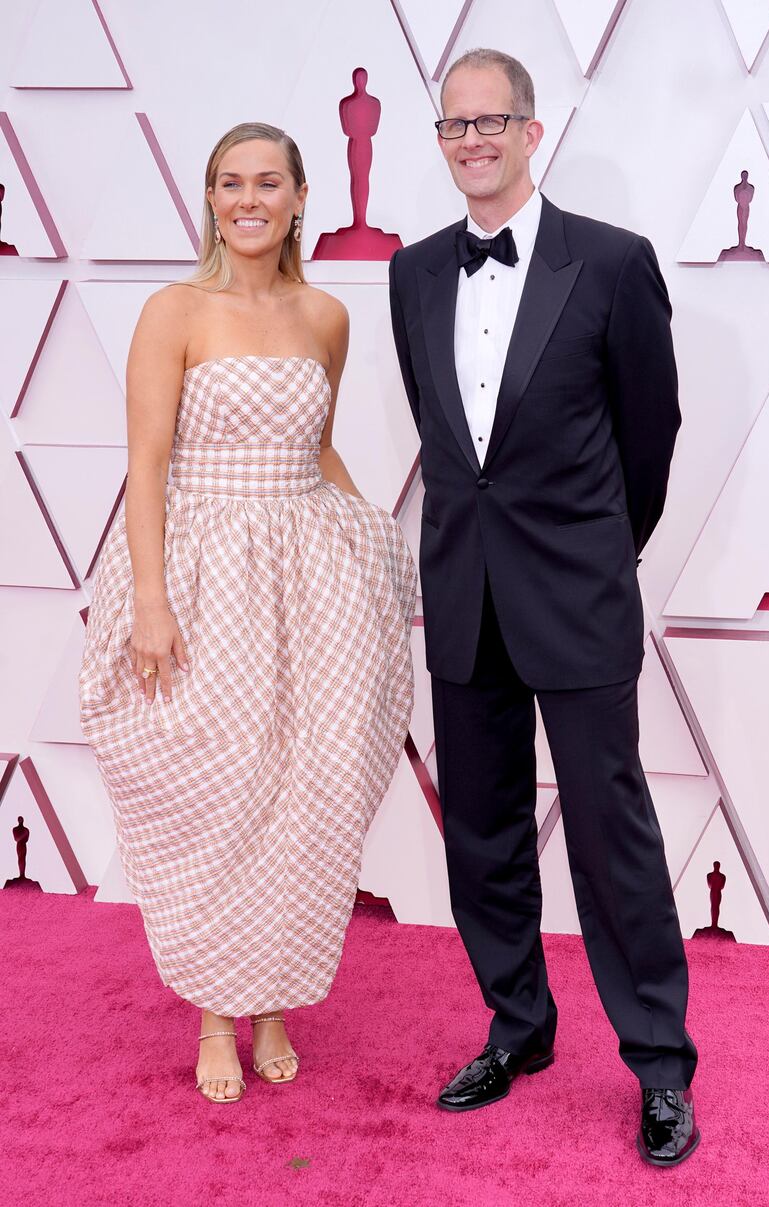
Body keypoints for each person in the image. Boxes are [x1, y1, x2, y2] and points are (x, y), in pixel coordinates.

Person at [389, 49, 699, 1166]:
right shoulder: (411, 272)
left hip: (573, 594)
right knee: (480, 835)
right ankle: (517, 1029)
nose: (471, 140)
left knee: (610, 835)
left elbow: (648, 440)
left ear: (530, 129)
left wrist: (597, 556)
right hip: (460, 595)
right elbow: (444, 443)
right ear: (440, 139)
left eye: (491, 121)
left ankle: (658, 1063)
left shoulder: (612, 265)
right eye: (452, 124)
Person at [80, 122, 416, 1104]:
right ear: (212, 198)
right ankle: (216, 1013)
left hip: (303, 575)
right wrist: (149, 598)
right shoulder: (174, 309)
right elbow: (145, 465)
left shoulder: (323, 315)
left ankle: (272, 1002)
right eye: (229, 183)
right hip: (202, 569)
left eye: (266, 182)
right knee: (223, 786)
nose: (247, 200)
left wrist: (372, 549)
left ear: (301, 195)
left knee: (300, 785)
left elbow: (314, 450)